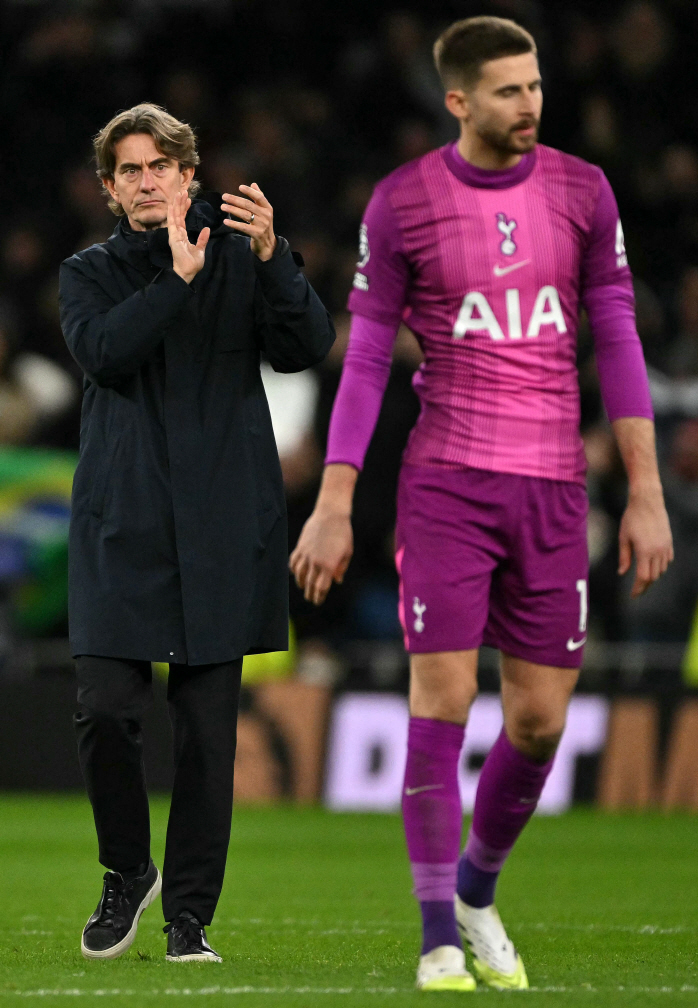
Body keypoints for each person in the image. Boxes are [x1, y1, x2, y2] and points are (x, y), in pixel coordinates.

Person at [290, 16, 673, 993]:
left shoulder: (585, 192)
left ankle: (474, 890)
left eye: (536, 85)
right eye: (508, 90)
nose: (530, 103)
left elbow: (618, 341)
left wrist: (645, 492)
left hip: (552, 489)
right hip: (446, 484)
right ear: (456, 100)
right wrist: (334, 501)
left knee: (541, 721)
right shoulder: (404, 202)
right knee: (443, 701)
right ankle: (434, 937)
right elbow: (365, 357)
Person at [59, 103, 334, 963]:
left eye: (161, 166)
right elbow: (104, 352)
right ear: (111, 189)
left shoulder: (241, 256)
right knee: (105, 710)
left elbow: (306, 347)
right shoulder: (88, 273)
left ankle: (188, 919)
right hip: (125, 524)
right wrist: (173, 280)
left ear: (190, 174)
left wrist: (273, 259)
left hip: (220, 526)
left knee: (211, 738)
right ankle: (125, 871)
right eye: (130, 171)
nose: (148, 182)